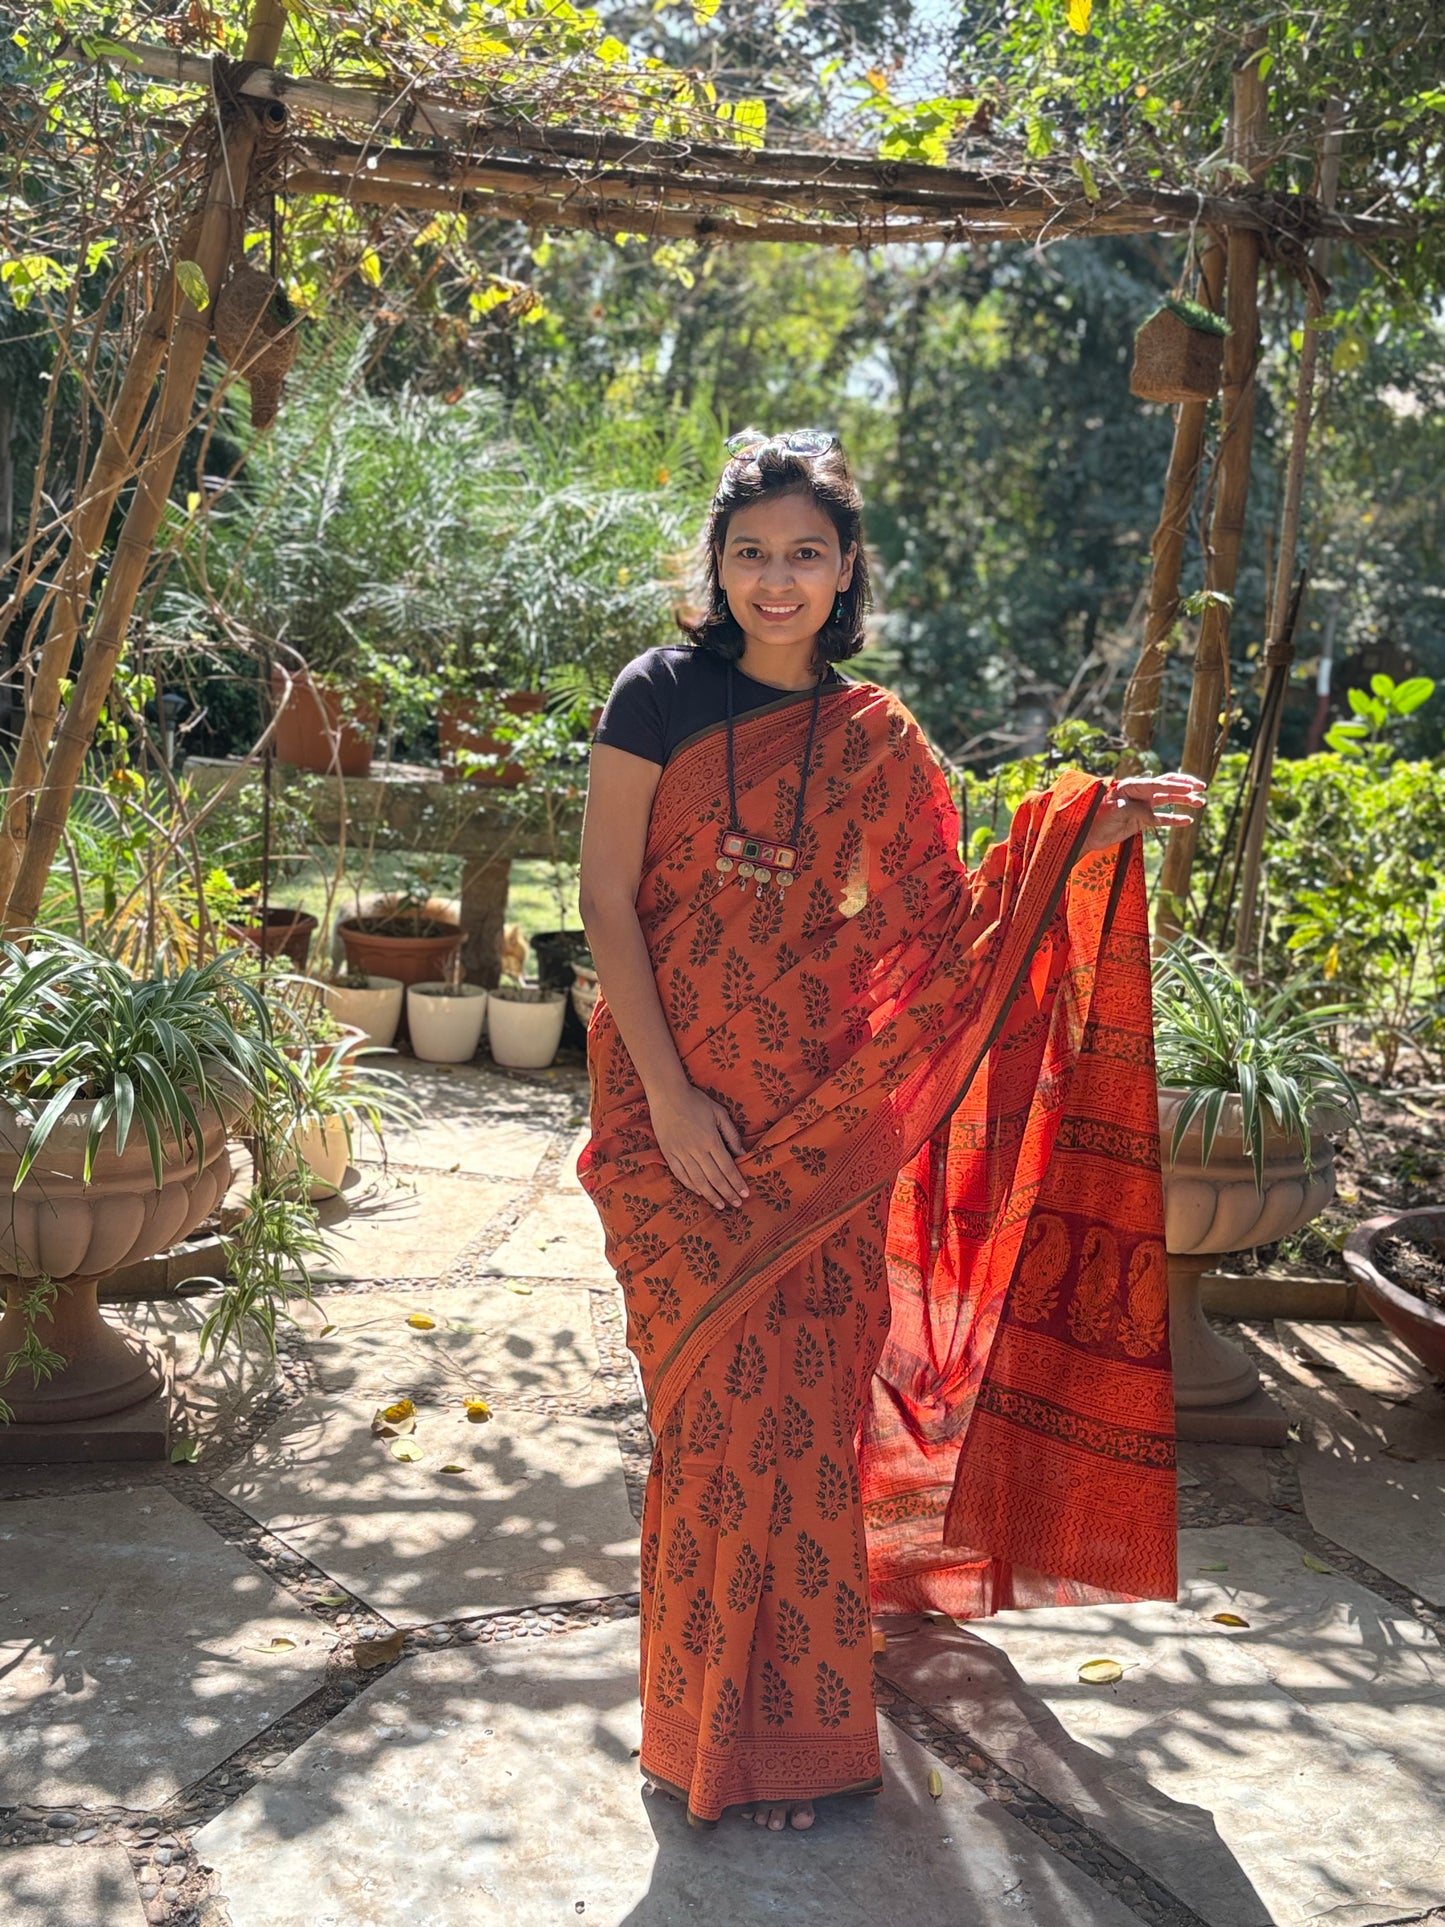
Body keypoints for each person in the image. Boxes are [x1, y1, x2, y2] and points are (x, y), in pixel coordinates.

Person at [576, 428, 1204, 1835]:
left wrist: (1074, 835)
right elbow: (608, 902)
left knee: (798, 1426)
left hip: (825, 1131)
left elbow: (941, 928)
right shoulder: (657, 695)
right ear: (717, 565)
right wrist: (671, 1099)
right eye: (750, 553)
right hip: (671, 1124)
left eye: (804, 553)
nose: (775, 578)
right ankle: (701, 1730)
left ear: (847, 567)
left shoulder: (878, 738)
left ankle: (790, 1741)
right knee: (710, 1419)